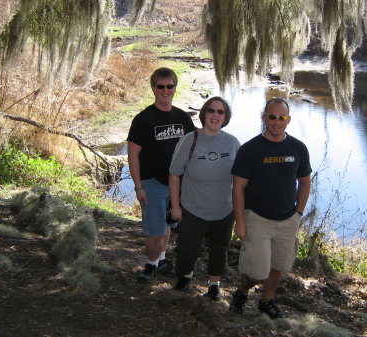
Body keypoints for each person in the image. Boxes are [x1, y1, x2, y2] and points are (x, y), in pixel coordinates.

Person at [228, 98, 311, 318]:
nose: (276, 122)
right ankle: (242, 291)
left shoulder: (298, 148)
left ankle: (267, 301)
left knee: (278, 267)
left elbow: (305, 181)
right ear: (264, 118)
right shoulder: (250, 149)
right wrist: (240, 220)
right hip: (257, 218)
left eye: (281, 118)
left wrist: (299, 212)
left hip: (287, 220)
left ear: (288, 120)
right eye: (272, 117)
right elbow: (238, 188)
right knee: (257, 272)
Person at [127, 67, 195, 283]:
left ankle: (161, 260)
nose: (165, 90)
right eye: (160, 86)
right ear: (153, 88)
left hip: (177, 185)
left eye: (170, 86)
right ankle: (150, 264)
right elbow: (133, 155)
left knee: (167, 225)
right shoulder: (143, 119)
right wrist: (138, 187)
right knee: (153, 231)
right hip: (152, 183)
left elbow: (193, 149)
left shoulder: (182, 117)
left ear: (175, 88)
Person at [169, 96, 240, 300]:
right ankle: (185, 277)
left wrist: (241, 210)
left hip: (224, 210)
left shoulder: (233, 143)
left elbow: (241, 179)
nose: (215, 115)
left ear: (225, 117)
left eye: (220, 112)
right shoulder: (190, 139)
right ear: (203, 114)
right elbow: (174, 173)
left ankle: (214, 284)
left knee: (219, 249)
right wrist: (176, 205)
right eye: (211, 110)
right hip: (193, 208)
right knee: (187, 248)